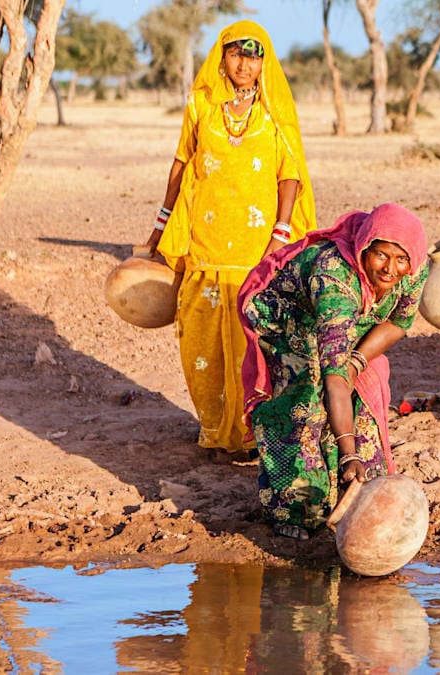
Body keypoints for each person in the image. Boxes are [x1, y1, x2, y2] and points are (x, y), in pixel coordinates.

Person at [143, 20, 316, 454]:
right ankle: (213, 428)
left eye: (253, 56)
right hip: (206, 240)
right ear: (222, 56)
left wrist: (281, 232)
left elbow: (289, 173)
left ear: (264, 63)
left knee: (253, 340)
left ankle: (252, 433)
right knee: (200, 338)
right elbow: (182, 164)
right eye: (236, 53)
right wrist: (162, 225)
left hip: (257, 245)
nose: (244, 64)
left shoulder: (275, 109)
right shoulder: (201, 105)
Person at [237, 204, 429, 541]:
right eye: (381, 256)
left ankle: (355, 495)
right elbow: (334, 379)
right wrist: (347, 450)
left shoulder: (415, 268)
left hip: (346, 325)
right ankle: (294, 509)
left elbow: (399, 322)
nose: (390, 268)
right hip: (287, 319)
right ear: (364, 248)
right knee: (302, 405)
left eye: (401, 259)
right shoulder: (334, 279)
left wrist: (357, 359)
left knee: (366, 402)